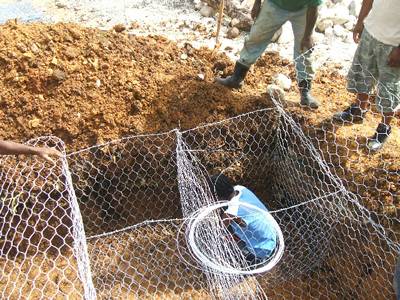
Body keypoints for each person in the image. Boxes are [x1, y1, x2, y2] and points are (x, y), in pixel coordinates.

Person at [215, 0, 322, 109]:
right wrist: (257, 3)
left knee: (304, 49)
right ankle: (237, 78)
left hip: (303, 10)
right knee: (256, 37)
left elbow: (314, 7)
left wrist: (307, 36)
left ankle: (305, 93)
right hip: (274, 4)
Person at [332, 0, 400, 151]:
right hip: (370, 33)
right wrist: (360, 23)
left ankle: (384, 128)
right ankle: (359, 110)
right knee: (362, 73)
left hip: (393, 45)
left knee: (388, 88)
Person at [209, 174, 278, 268]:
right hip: (273, 235)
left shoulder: (230, 213)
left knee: (224, 251)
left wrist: (224, 236)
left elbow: (217, 232)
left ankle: (254, 262)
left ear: (217, 196)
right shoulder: (240, 188)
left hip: (263, 251)